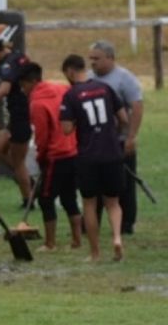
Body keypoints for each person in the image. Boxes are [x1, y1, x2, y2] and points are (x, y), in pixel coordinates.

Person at [60, 55, 127, 262]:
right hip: (111, 153)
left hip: (88, 156)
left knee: (89, 203)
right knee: (113, 203)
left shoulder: (71, 95)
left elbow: (66, 129)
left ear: (71, 72)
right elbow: (123, 118)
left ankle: (95, 252)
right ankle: (117, 238)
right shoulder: (105, 88)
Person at [18, 62, 82, 251]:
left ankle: (50, 243)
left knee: (46, 198)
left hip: (55, 155)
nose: (23, 90)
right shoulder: (62, 88)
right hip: (73, 150)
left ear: (30, 82)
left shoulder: (37, 103)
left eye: (23, 86)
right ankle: (77, 241)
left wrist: (41, 157)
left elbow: (42, 136)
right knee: (69, 197)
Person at [88, 41, 144, 235]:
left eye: (97, 58)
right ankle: (92, 223)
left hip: (119, 140)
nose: (92, 63)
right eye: (91, 59)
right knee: (94, 183)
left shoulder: (124, 78)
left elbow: (136, 106)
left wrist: (131, 136)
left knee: (124, 183)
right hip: (95, 142)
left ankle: (126, 223)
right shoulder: (89, 78)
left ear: (110, 58)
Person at [0, 35, 33, 207]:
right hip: (18, 114)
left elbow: (4, 89)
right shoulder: (18, 55)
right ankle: (27, 180)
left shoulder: (7, 64)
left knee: (18, 162)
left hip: (20, 115)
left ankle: (28, 200)